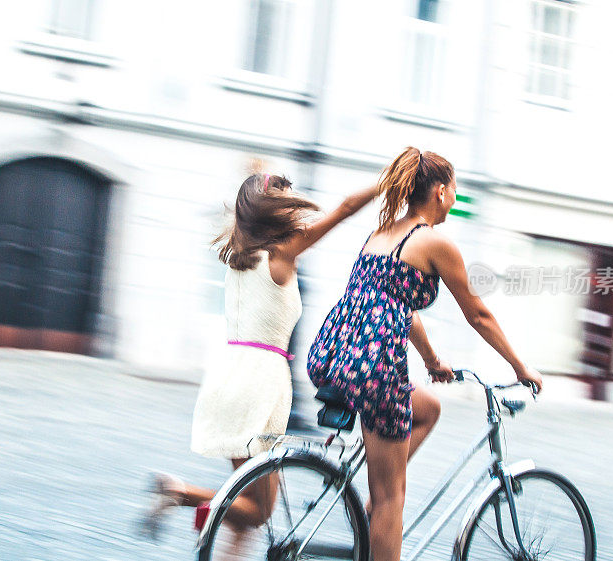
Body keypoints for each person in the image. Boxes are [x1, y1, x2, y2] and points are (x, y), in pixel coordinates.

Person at [306, 147, 543, 561]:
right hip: (375, 369)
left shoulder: (382, 234)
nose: (455, 196)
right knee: (391, 497)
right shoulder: (433, 242)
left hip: (335, 355)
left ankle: (374, 508)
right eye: (454, 188)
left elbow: (398, 308)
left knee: (428, 407)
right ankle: (381, 511)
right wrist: (521, 367)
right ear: (439, 191)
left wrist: (433, 362)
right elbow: (479, 314)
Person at [144, 173, 379, 539]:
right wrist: (385, 184)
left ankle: (191, 507)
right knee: (258, 511)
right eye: (286, 199)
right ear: (272, 211)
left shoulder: (238, 256)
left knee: (251, 498)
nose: (294, 204)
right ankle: (180, 491)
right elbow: (346, 209)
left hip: (227, 376)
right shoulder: (282, 251)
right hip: (259, 384)